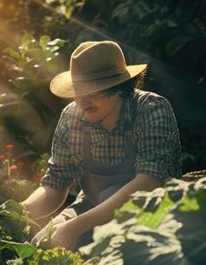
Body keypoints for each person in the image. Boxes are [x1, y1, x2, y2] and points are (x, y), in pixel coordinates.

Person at [23, 41, 182, 250]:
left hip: (153, 212)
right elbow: (54, 184)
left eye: (93, 91)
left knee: (87, 229)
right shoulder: (72, 117)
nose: (82, 101)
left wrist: (77, 226)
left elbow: (150, 182)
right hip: (90, 206)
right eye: (78, 91)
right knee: (42, 243)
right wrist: (15, 212)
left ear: (119, 87)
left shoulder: (150, 109)